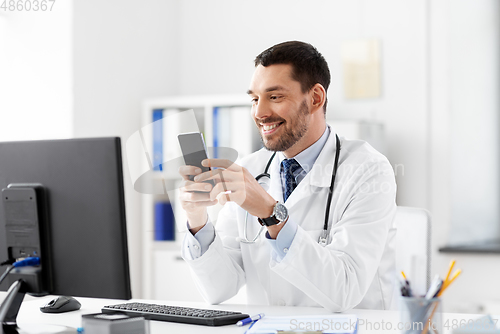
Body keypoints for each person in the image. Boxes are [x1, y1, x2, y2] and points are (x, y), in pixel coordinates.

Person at [178, 41, 397, 312]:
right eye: (255, 99)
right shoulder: (251, 170)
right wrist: (197, 219)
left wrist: (272, 214)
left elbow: (345, 290)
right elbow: (219, 288)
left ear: (316, 98)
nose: (259, 113)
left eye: (275, 97)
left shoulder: (369, 170)